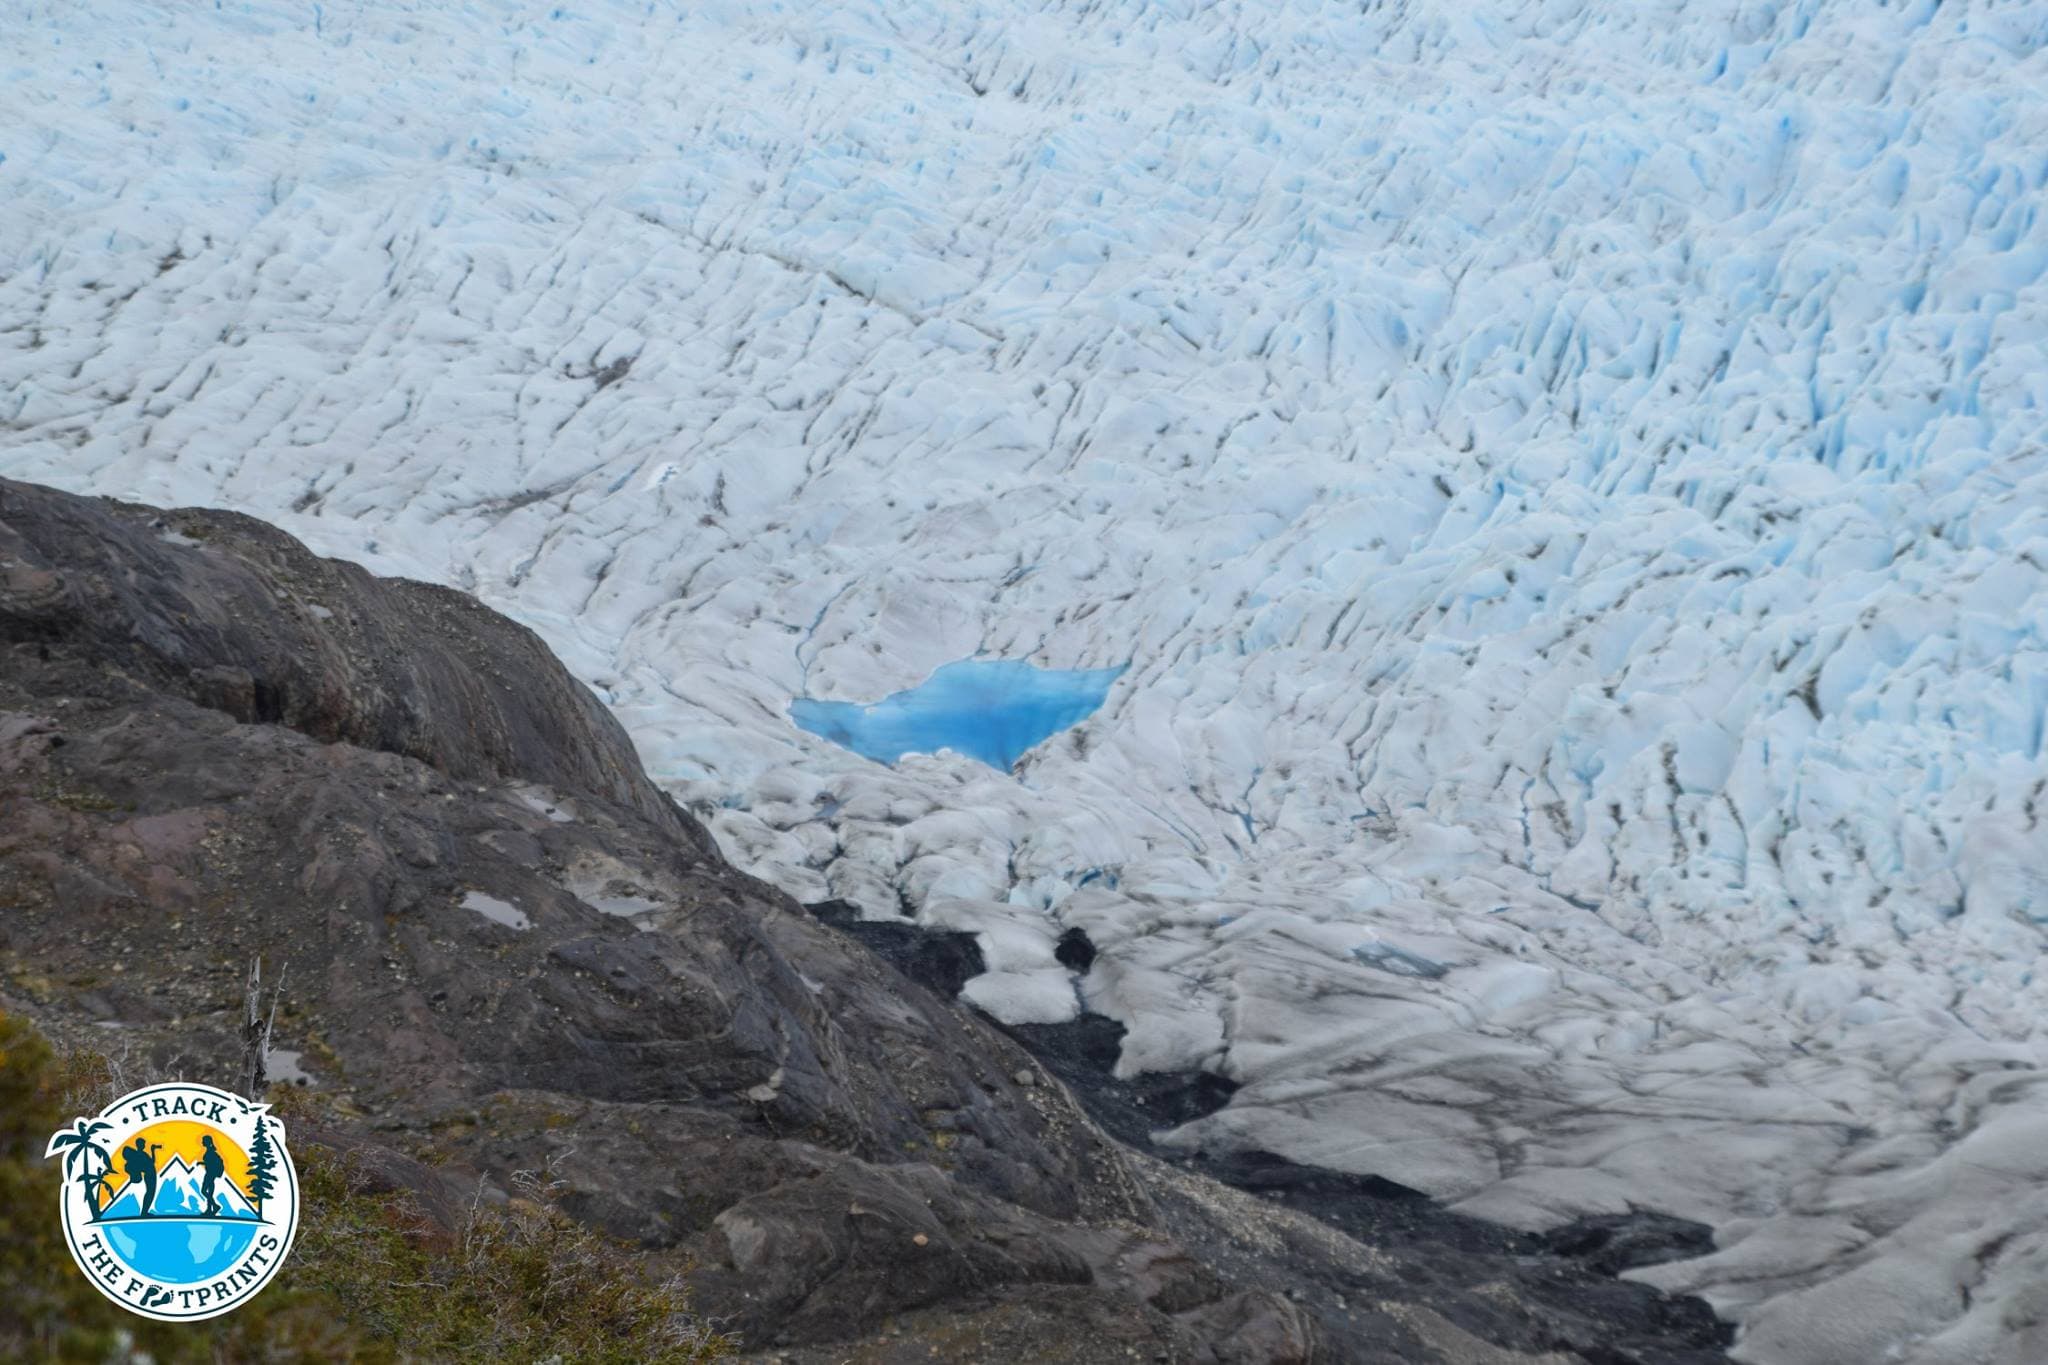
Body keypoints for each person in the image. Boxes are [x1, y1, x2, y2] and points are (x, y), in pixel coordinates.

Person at [121, 1138, 160, 1217]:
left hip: (151, 1174)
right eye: (143, 1144)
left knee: (150, 1193)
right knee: (150, 1193)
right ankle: (144, 1212)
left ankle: (144, 1212)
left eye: (144, 1144)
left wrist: (152, 1150)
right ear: (139, 1145)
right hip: (150, 1175)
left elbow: (151, 1162)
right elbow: (149, 1163)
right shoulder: (140, 1155)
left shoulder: (142, 1154)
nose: (144, 1145)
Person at [199, 1135, 227, 1216]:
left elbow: (211, 1163)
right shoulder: (210, 1151)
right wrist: (202, 1163)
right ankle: (210, 1209)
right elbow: (210, 1162)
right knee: (209, 1192)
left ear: (207, 1142)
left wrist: (203, 1163)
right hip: (211, 1174)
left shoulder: (210, 1152)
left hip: (210, 1174)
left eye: (203, 1141)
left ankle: (214, 1206)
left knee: (204, 1191)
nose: (202, 1142)